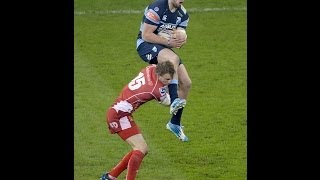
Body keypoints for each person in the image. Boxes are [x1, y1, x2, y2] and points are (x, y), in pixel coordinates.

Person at [101, 61, 176, 180]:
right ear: (159, 74)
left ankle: (110, 177)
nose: (169, 82)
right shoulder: (155, 90)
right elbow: (169, 102)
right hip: (119, 115)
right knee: (140, 148)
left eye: (171, 79)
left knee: (142, 149)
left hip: (120, 112)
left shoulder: (150, 68)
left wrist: (166, 84)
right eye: (166, 79)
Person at [136, 0, 191, 141]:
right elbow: (146, 35)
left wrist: (181, 39)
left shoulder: (183, 14)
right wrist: (168, 42)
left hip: (164, 47)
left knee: (186, 83)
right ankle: (172, 99)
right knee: (173, 59)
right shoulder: (157, 7)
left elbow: (180, 38)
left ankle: (175, 123)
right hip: (146, 45)